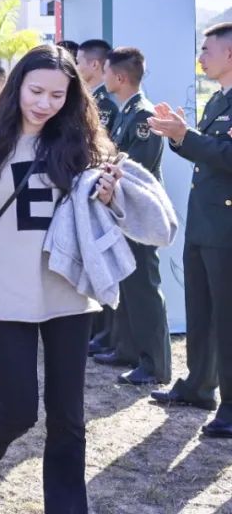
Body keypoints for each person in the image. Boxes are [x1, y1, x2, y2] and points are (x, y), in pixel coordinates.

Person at [0, 45, 120, 512]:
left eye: (57, 95)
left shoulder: (82, 143)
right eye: (36, 91)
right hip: (6, 291)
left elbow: (100, 217)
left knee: (68, 417)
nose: (45, 103)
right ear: (17, 85)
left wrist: (107, 195)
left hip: (67, 291)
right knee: (20, 409)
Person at [148, 22, 232, 437]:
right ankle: (199, 386)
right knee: (200, 313)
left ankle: (230, 408)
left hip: (227, 228)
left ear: (229, 55)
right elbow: (209, 157)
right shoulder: (218, 100)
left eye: (206, 50)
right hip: (205, 222)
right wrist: (180, 138)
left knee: (227, 318)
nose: (200, 57)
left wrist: (190, 138)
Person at [95, 47, 171, 386]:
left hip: (139, 214)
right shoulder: (127, 112)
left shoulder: (143, 116)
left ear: (120, 77)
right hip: (122, 212)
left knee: (144, 289)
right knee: (128, 283)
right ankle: (128, 350)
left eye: (108, 73)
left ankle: (155, 365)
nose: (104, 78)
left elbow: (132, 167)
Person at [75, 39, 119, 356]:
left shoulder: (106, 101)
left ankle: (106, 333)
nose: (76, 66)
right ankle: (99, 332)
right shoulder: (92, 97)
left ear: (94, 65)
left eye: (79, 60)